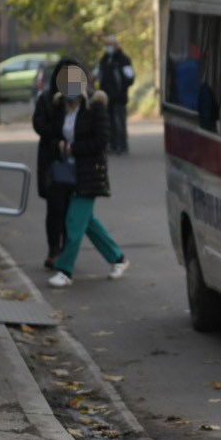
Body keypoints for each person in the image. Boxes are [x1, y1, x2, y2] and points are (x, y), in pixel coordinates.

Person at [47, 79, 129, 288]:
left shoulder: (95, 107)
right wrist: (58, 144)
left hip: (89, 173)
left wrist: (74, 148)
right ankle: (118, 258)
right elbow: (53, 134)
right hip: (68, 173)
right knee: (88, 223)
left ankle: (65, 271)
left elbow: (102, 140)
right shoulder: (62, 108)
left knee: (74, 223)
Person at [33, 57, 85, 270]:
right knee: (55, 209)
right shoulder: (47, 99)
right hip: (52, 162)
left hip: (75, 162)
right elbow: (39, 125)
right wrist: (57, 139)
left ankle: (67, 251)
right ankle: (54, 249)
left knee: (72, 211)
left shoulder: (80, 101)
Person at [96, 35, 135, 155]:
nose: (108, 47)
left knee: (119, 122)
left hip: (119, 98)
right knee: (108, 123)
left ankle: (122, 145)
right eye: (106, 44)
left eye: (110, 44)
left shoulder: (123, 60)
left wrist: (120, 90)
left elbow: (130, 77)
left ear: (116, 45)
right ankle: (112, 145)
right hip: (106, 99)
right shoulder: (104, 60)